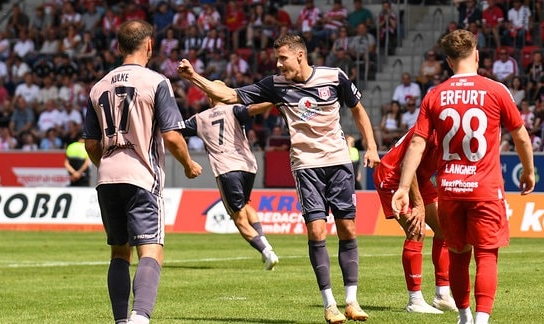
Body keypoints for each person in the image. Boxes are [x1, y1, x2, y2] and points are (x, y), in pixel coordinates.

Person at [178, 32, 380, 324]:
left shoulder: (334, 77)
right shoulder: (275, 85)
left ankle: (352, 301)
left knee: (348, 229)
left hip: (338, 162)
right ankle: (330, 305)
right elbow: (229, 95)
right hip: (306, 166)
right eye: (277, 58)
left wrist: (370, 146)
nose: (279, 63)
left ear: (300, 55)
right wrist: (193, 76)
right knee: (317, 233)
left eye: (282, 58)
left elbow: (357, 110)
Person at [391, 29, 535, 324]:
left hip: (450, 189)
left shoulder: (434, 94)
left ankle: (464, 316)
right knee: (486, 255)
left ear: (447, 60)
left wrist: (404, 187)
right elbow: (520, 135)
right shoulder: (496, 90)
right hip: (485, 188)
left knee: (457, 254)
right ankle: (480, 321)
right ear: (477, 54)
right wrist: (529, 171)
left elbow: (417, 143)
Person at [83, 20, 203, 324]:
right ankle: (140, 318)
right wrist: (188, 164)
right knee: (151, 251)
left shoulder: (98, 87)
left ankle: (122, 320)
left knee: (118, 253)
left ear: (119, 46)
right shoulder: (156, 82)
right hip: (142, 177)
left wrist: (107, 166)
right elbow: (173, 136)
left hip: (107, 178)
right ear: (149, 45)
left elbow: (90, 143)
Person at [181, 82, 280, 270]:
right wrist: (275, 100)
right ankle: (265, 243)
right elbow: (253, 109)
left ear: (210, 97)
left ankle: (266, 252)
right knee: (246, 205)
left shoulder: (199, 119)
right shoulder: (234, 109)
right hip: (248, 166)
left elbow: (175, 130)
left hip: (227, 169)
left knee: (239, 219)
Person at [373, 127, 457, 314]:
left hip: (418, 177)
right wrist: (418, 204)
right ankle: (415, 300)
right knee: (417, 231)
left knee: (445, 229)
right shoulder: (431, 129)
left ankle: (442, 295)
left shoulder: (453, 128)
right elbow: (405, 165)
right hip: (393, 176)